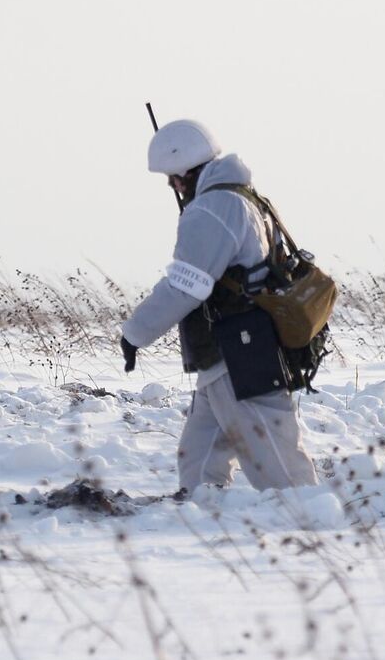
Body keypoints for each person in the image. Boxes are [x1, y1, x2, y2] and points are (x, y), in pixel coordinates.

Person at [118, 120, 319, 492]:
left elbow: (184, 287)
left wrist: (134, 334)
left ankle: (311, 524)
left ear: (188, 169)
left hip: (240, 353)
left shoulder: (211, 209)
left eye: (173, 177)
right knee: (199, 462)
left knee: (279, 470)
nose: (171, 186)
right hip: (231, 352)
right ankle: (202, 517)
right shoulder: (243, 196)